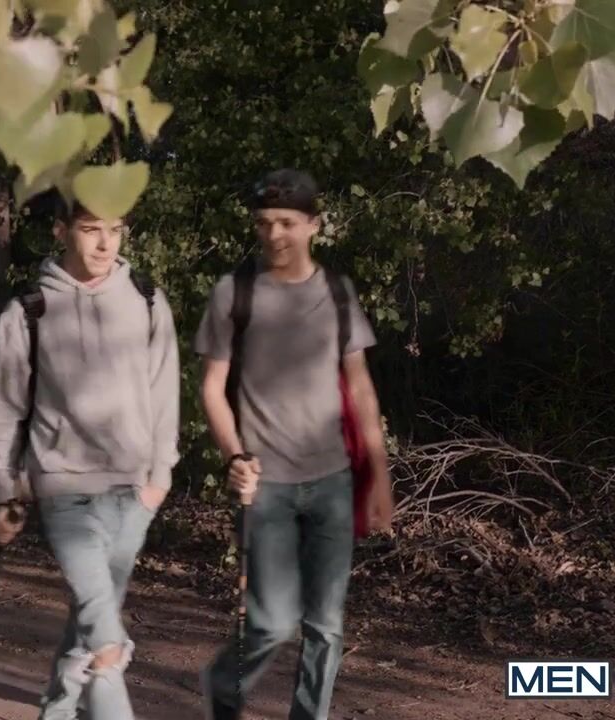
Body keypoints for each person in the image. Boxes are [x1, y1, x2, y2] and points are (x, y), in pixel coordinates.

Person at [194, 169, 394, 720]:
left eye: (286, 222)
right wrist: (234, 456)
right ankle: (225, 682)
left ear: (313, 225)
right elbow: (212, 388)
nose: (274, 234)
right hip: (267, 486)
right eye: (264, 223)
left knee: (325, 626)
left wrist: (379, 475)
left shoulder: (338, 294)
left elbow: (360, 386)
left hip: (332, 481)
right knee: (273, 622)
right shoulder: (234, 293)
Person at [0, 192, 181, 720]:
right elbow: (2, 407)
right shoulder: (29, 310)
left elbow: (165, 392)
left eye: (115, 229)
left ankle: (57, 712)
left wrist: (159, 479)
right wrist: (4, 489)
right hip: (63, 488)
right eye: (91, 229)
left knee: (91, 620)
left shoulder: (146, 300)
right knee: (105, 636)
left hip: (134, 493)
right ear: (61, 230)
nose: (105, 242)